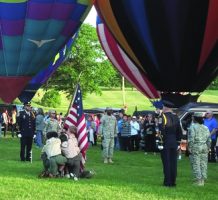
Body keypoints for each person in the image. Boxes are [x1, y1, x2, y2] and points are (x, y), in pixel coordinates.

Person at [159, 100, 182, 187]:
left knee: (166, 162)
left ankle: (167, 182)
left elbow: (161, 131)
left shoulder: (163, 116)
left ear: (165, 107)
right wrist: (178, 142)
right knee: (173, 162)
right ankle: (173, 181)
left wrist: (161, 142)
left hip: (166, 142)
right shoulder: (176, 117)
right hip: (174, 142)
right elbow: (179, 131)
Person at [188, 112, 211, 186]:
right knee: (203, 164)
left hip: (196, 146)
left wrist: (190, 147)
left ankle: (198, 181)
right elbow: (209, 139)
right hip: (204, 146)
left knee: (196, 163)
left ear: (195, 118)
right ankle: (202, 180)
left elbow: (191, 138)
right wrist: (208, 147)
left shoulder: (193, 127)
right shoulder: (206, 127)